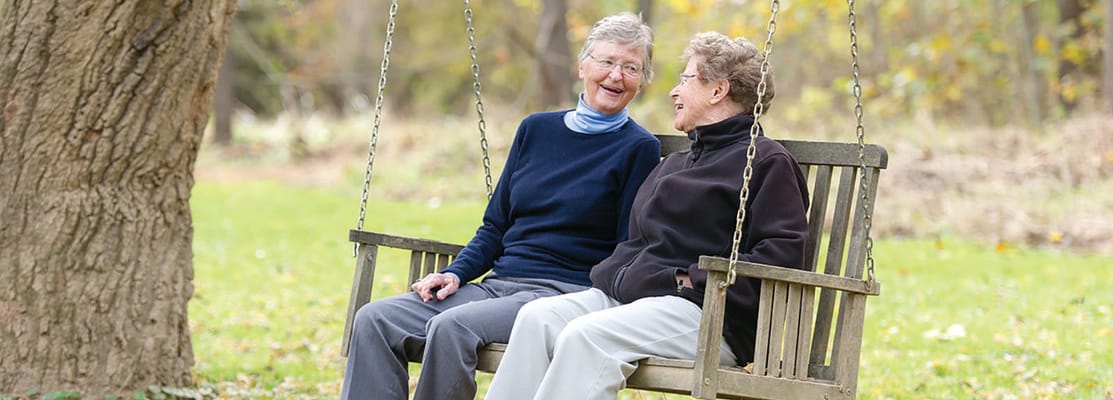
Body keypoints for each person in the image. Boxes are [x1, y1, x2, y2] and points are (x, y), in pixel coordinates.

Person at [341, 13, 660, 400]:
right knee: (374, 319)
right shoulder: (536, 129)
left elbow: (626, 244)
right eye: (607, 62)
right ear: (582, 66)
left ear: (641, 83)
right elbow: (495, 226)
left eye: (631, 68)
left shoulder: (639, 148)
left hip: (558, 296)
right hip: (495, 287)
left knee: (452, 327)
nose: (616, 76)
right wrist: (456, 274)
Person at [484, 31, 810, 400]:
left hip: (706, 317)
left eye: (685, 79)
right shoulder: (678, 162)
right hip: (635, 299)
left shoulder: (765, 162)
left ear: (718, 91)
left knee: (587, 336)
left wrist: (694, 278)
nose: (674, 91)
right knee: (536, 319)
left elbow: (782, 253)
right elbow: (637, 242)